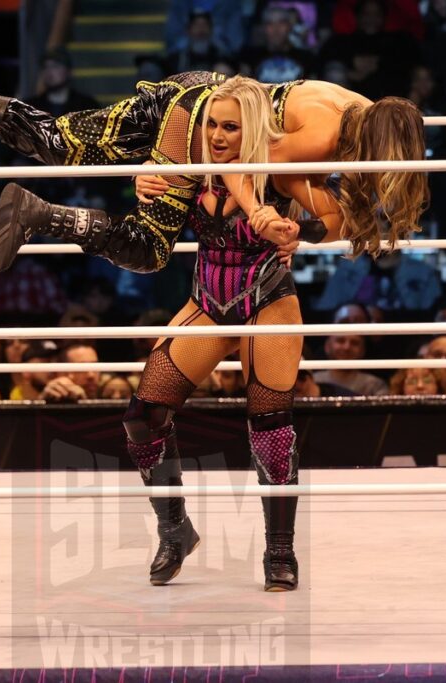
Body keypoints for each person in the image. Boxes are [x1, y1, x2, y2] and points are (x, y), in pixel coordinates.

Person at [121, 78, 349, 592]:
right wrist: (143, 181)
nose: (217, 135)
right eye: (211, 124)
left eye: (230, 126)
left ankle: (280, 553)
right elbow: (148, 196)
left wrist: (299, 232)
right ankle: (174, 530)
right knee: (144, 415)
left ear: (253, 131)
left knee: (270, 428)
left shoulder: (278, 173)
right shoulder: (192, 164)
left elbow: (338, 219)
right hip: (207, 301)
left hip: (269, 302)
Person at [0, 68, 428, 273]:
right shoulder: (327, 134)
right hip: (201, 119)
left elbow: (312, 197)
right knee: (148, 247)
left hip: (199, 99)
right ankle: (39, 215)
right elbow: (246, 164)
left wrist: (307, 223)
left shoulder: (363, 112)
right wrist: (267, 214)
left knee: (56, 142)